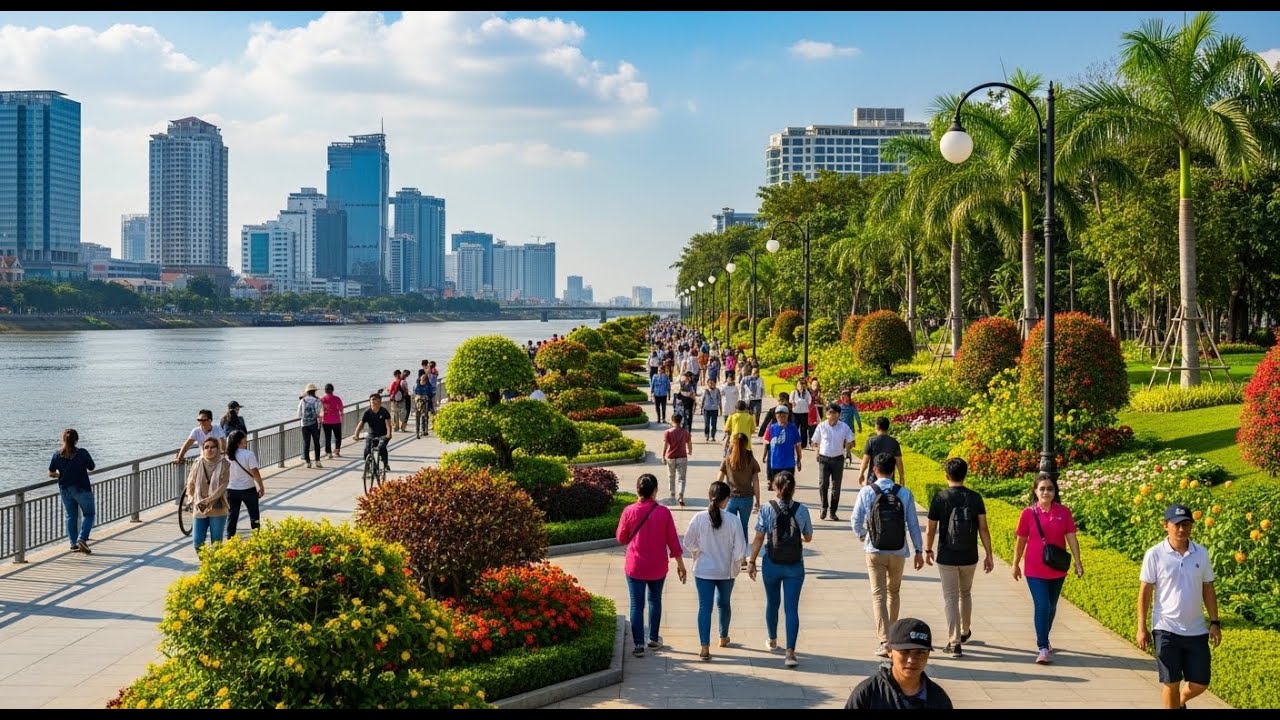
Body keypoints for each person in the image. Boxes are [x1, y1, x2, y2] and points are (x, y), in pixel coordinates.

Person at [1137, 503, 1222, 709]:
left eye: (1186, 524)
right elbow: (1145, 592)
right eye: (1177, 524)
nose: (1182, 529)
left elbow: (1208, 588)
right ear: (1165, 525)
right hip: (1165, 628)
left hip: (1196, 630)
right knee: (1171, 682)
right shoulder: (1154, 554)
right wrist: (1142, 627)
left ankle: (1180, 702)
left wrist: (1214, 622)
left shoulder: (1201, 553)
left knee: (1201, 683)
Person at [852, 452, 926, 658]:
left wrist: (863, 535)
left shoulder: (867, 491)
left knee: (878, 595)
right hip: (898, 550)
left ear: (875, 470)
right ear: (893, 471)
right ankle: (894, 637)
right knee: (894, 592)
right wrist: (918, 550)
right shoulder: (904, 493)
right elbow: (913, 524)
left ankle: (884, 641)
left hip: (874, 550)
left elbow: (855, 520)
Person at [924, 457, 995, 658]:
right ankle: (964, 631)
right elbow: (983, 528)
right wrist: (989, 554)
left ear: (946, 475)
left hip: (946, 555)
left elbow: (930, 529)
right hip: (969, 555)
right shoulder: (975, 498)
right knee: (965, 593)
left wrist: (928, 550)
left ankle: (954, 642)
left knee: (950, 597)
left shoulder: (940, 498)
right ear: (965, 474)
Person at [1012, 472, 1085, 665]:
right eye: (1042, 489)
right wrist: (1015, 564)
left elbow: (1071, 537)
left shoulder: (1064, 512)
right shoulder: (1028, 513)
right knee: (1042, 606)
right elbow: (1021, 540)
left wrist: (1078, 562)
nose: (1046, 492)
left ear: (1055, 491)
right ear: (1035, 491)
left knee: (1051, 607)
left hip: (1057, 567)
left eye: (1050, 489)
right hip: (1034, 568)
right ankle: (1042, 647)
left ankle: (1045, 635)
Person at [616, 473, 688, 658]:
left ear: (637, 490)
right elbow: (673, 542)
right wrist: (681, 565)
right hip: (657, 567)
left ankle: (638, 645)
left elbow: (621, 538)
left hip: (635, 566)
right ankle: (654, 638)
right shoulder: (663, 512)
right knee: (655, 600)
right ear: (655, 491)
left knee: (636, 605)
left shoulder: (629, 511)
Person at [746, 470, 813, 668]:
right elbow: (808, 537)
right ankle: (790, 652)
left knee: (772, 603)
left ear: (776, 488)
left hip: (771, 563)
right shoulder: (802, 510)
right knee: (791, 608)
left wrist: (752, 561)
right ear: (793, 489)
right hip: (794, 565)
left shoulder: (767, 508)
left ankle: (772, 639)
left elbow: (759, 537)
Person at [683, 480, 748, 662]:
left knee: (705, 607)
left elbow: (688, 542)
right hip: (726, 571)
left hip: (703, 570)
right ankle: (723, 637)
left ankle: (704, 647)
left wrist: (698, 552)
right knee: (724, 604)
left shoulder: (699, 518)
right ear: (726, 499)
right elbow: (740, 549)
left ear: (709, 496)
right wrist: (735, 564)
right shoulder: (733, 520)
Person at [845, 618, 954, 709]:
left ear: (928, 654)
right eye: (905, 652)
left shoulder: (939, 699)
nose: (911, 660)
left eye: (919, 652)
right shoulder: (868, 693)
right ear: (889, 651)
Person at [48, 428, 96, 554]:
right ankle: (82, 538)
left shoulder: (57, 454)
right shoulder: (82, 452)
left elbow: (51, 473)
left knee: (71, 516)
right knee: (89, 514)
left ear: (63, 439)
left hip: (65, 489)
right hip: (82, 488)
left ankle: (73, 544)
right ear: (76, 440)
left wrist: (59, 475)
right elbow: (91, 467)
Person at [185, 437, 230, 552]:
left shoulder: (224, 464)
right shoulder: (197, 463)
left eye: (212, 447)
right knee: (197, 542)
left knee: (216, 542)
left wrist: (209, 500)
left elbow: (223, 486)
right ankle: (205, 560)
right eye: (206, 447)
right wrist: (191, 498)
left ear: (218, 449)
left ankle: (214, 562)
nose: (209, 450)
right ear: (203, 449)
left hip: (218, 506)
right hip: (199, 506)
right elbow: (191, 483)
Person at [812, 403, 855, 522]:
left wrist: (847, 449)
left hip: (838, 459)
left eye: (834, 413)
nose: (832, 415)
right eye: (830, 412)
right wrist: (817, 451)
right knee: (823, 484)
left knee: (836, 487)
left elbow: (851, 440)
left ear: (839, 414)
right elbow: (815, 441)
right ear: (826, 414)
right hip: (824, 459)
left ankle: (833, 511)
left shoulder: (844, 427)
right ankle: (824, 506)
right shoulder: (821, 426)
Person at [717, 431, 761, 545]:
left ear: (733, 443)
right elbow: (756, 481)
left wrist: (716, 496)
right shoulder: (751, 460)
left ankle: (730, 549)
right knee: (743, 527)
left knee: (730, 527)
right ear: (746, 444)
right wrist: (758, 499)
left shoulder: (727, 460)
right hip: (747, 499)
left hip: (730, 499)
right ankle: (742, 552)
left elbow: (719, 480)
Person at [224, 430, 265, 539]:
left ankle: (230, 538)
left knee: (232, 515)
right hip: (248, 489)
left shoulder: (226, 456)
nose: (246, 444)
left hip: (231, 489)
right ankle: (256, 537)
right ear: (239, 442)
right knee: (254, 515)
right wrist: (261, 486)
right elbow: (255, 472)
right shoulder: (248, 454)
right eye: (245, 441)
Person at [761, 405, 803, 491]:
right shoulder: (771, 427)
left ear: (787, 416)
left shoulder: (793, 428)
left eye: (784, 416)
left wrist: (799, 459)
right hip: (775, 463)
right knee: (778, 487)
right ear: (776, 416)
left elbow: (798, 445)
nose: (781, 418)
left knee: (788, 487)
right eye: (779, 416)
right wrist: (764, 455)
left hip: (789, 463)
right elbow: (766, 443)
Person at [353, 392, 393, 471]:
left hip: (383, 435)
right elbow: (361, 424)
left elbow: (388, 425)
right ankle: (371, 465)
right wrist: (356, 434)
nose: (373, 401)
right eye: (371, 400)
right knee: (367, 449)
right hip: (372, 434)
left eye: (375, 399)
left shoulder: (384, 411)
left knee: (381, 446)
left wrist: (389, 434)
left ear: (379, 401)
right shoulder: (367, 412)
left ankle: (385, 463)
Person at [859, 417, 904, 487]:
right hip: (889, 479)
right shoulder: (894, 442)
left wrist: (861, 474)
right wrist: (901, 477)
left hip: (873, 478)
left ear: (877, 426)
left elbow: (865, 461)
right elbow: (899, 463)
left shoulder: (871, 441)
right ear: (888, 427)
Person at [662, 412, 693, 505]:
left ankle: (672, 494)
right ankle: (681, 496)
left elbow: (665, 445)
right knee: (681, 478)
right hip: (682, 456)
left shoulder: (668, 432)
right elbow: (689, 443)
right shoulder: (685, 432)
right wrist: (690, 451)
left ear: (672, 420)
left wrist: (663, 455)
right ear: (681, 421)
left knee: (671, 477)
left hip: (671, 457)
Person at [298, 383, 324, 469]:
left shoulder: (302, 400)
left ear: (307, 391)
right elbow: (318, 412)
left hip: (304, 424)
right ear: (314, 391)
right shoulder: (317, 400)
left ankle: (308, 462)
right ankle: (317, 461)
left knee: (306, 443)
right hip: (315, 424)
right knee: (316, 442)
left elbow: (299, 414)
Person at [837, 389, 863, 466]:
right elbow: (837, 418)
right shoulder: (840, 407)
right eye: (843, 398)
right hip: (842, 430)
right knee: (843, 446)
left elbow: (857, 417)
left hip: (848, 430)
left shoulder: (851, 407)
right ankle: (846, 457)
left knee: (847, 446)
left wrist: (859, 426)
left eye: (846, 398)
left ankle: (847, 457)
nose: (845, 399)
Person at [320, 383, 345, 459]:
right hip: (336, 421)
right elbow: (341, 409)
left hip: (326, 421)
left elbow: (319, 410)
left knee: (327, 437)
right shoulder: (337, 398)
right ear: (332, 390)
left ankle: (329, 453)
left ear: (325, 390)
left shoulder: (322, 399)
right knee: (338, 437)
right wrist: (341, 416)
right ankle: (337, 450)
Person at [791, 378, 812, 447]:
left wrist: (807, 404)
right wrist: (793, 402)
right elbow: (790, 399)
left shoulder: (807, 393)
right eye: (799, 384)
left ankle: (803, 444)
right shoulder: (794, 392)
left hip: (804, 412)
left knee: (804, 429)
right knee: (795, 427)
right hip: (795, 412)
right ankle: (794, 442)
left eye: (803, 384)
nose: (801, 386)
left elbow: (809, 400)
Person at [700, 378, 722, 443]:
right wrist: (701, 408)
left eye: (712, 383)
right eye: (710, 383)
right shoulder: (706, 391)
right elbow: (703, 399)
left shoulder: (717, 390)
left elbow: (719, 400)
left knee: (714, 424)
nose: (711, 384)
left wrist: (720, 409)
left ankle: (713, 436)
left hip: (714, 409)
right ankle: (707, 435)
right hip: (707, 409)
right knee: (707, 423)